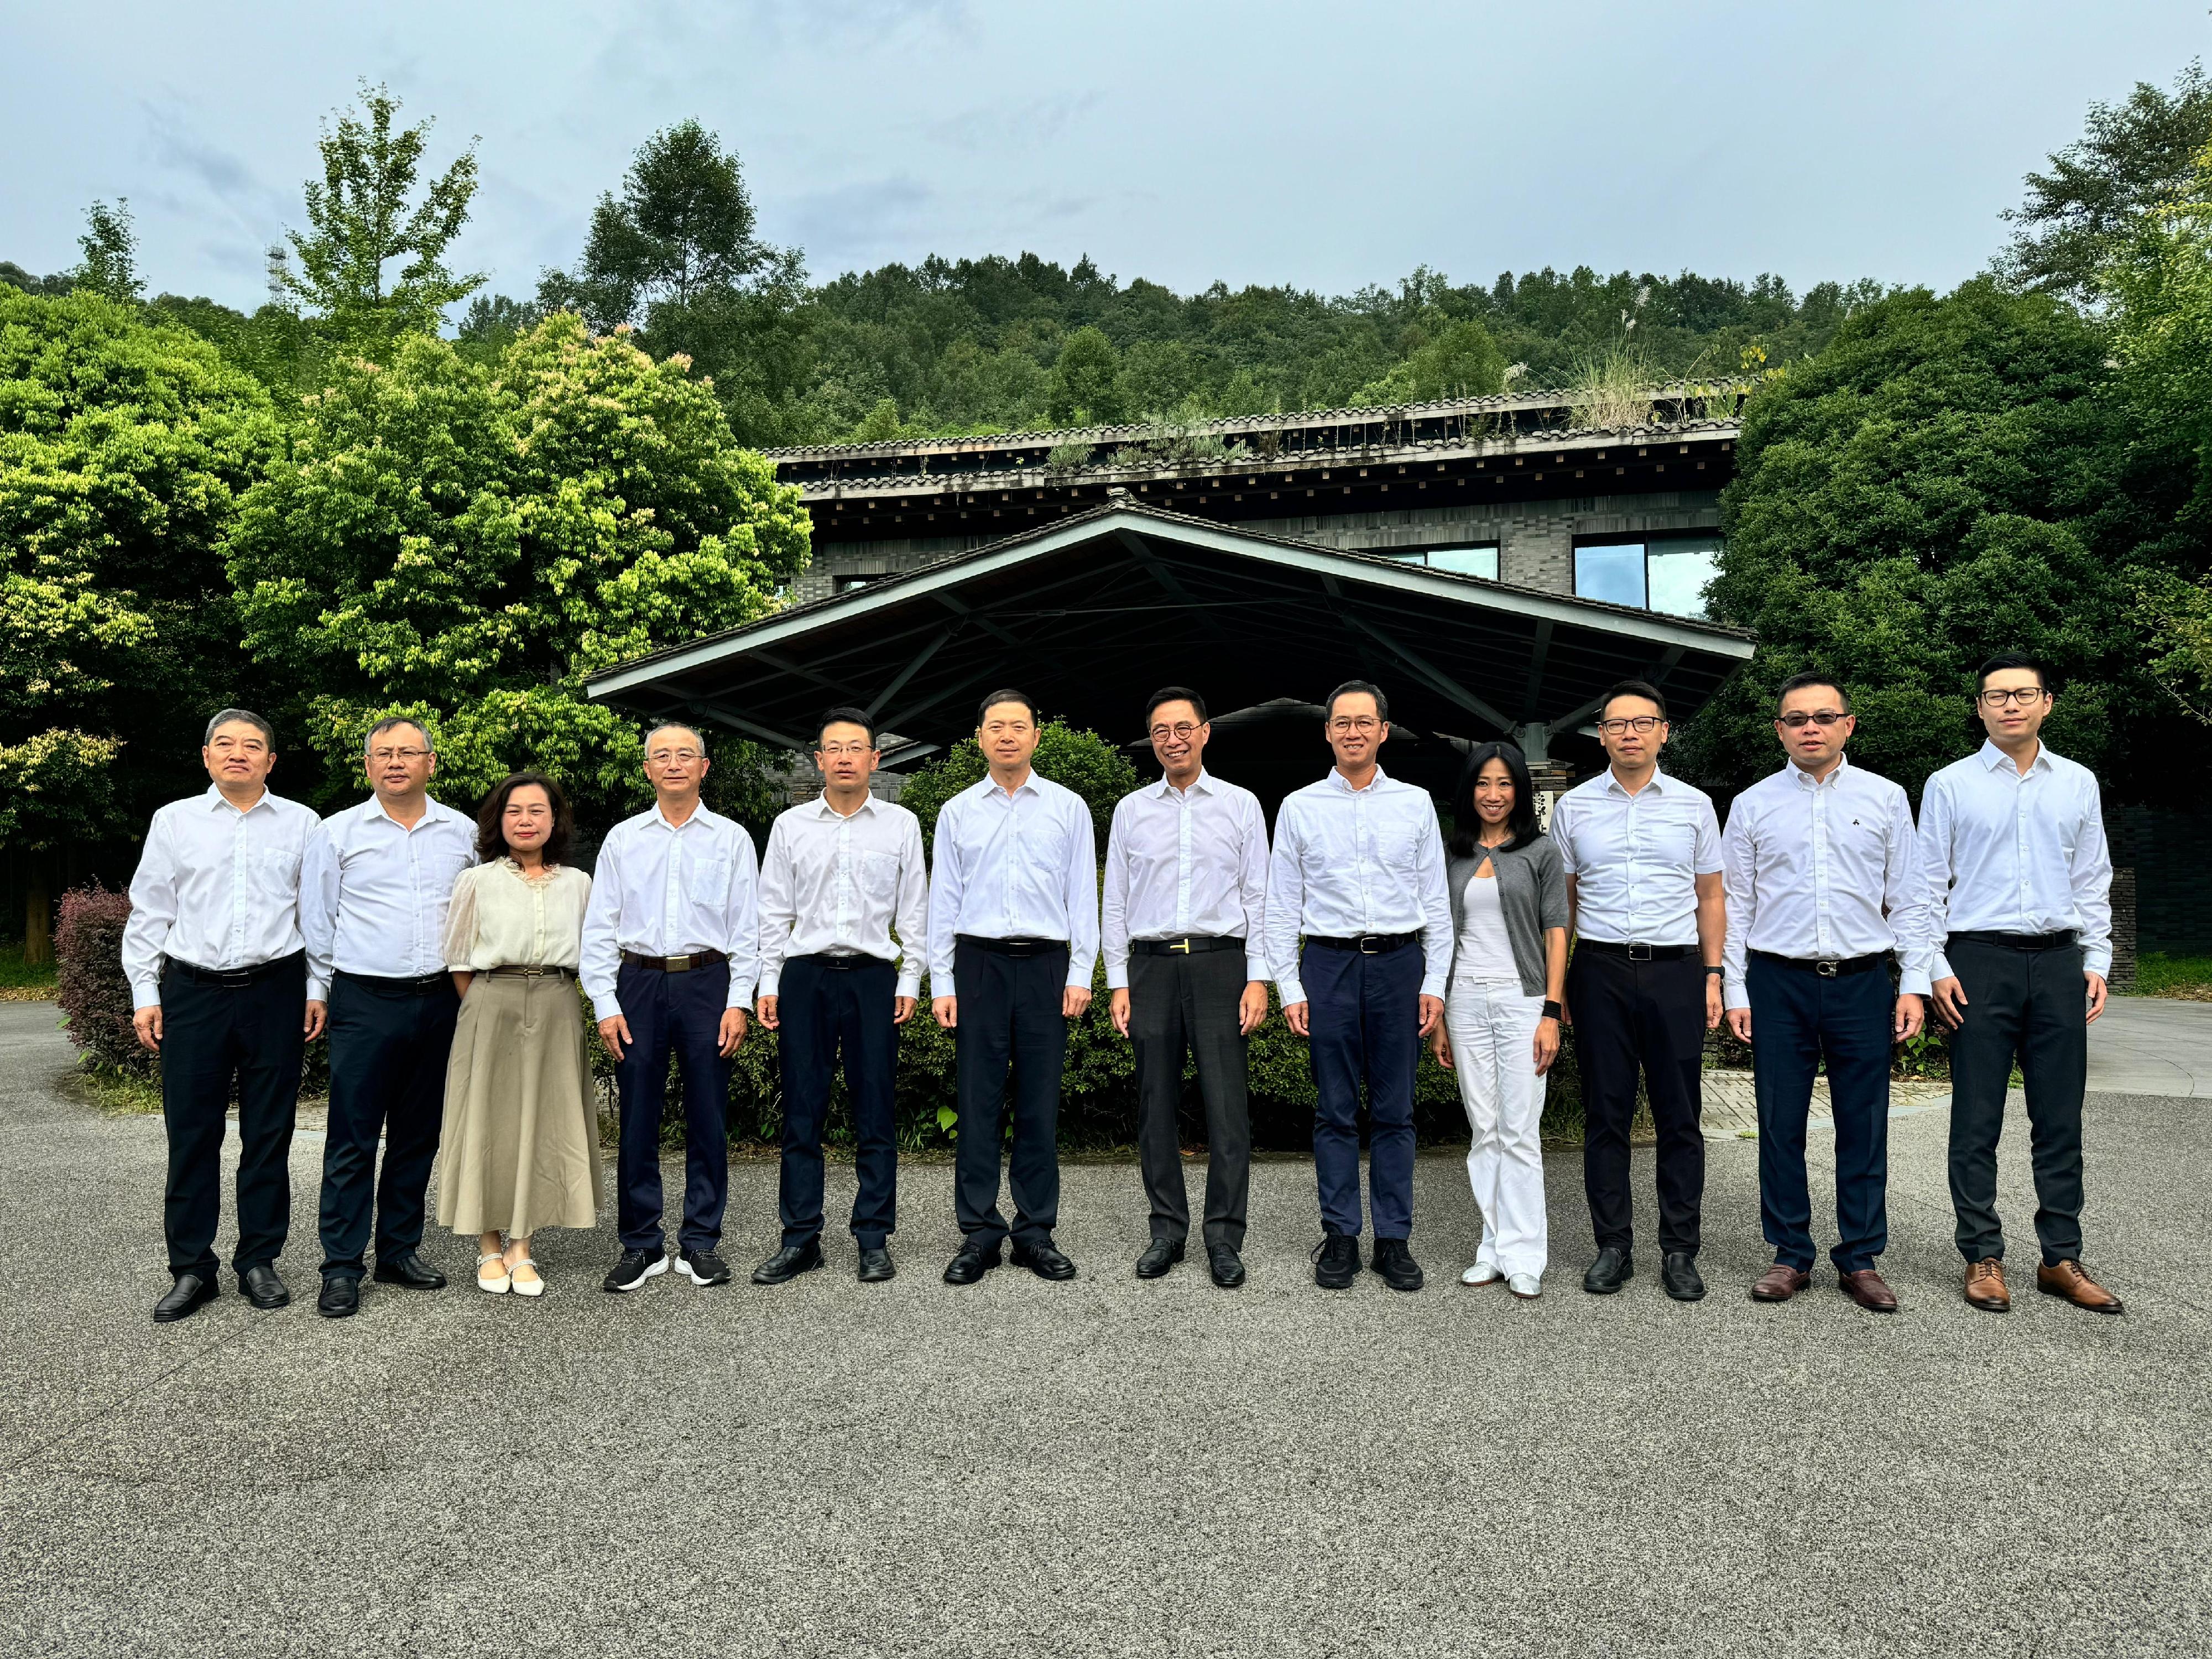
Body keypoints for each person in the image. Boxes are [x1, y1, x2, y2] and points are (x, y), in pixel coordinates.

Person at [1721, 675, 1931, 1314]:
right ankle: (1789, 1253)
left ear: (1848, 725)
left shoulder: (1887, 798)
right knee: (1779, 1122)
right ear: (1779, 730)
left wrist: (1914, 982)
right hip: (1776, 980)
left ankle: (1860, 1257)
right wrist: (1735, 987)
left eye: (1823, 716)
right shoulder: (1752, 804)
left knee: (1862, 1123)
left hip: (1864, 980)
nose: (1809, 727)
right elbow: (1734, 904)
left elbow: (1911, 897)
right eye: (1795, 718)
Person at [1921, 654, 2121, 1314]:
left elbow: (2092, 876)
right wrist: (1934, 967)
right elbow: (1924, 886)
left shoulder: (2077, 783)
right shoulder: (1949, 785)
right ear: (1978, 707)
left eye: (2022, 694)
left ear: (2046, 703)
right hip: (1978, 962)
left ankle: (2060, 1257)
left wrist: (2097, 959)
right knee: (1975, 1117)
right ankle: (1982, 1253)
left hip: (2060, 961)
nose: (2009, 705)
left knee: (2059, 1118)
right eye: (1995, 695)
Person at [123, 709, 321, 1323]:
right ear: (206, 756)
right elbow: (150, 911)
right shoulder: (175, 821)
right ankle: (191, 1268)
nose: (239, 754)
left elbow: (315, 915)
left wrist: (318, 988)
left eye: (253, 746)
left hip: (275, 990)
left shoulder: (303, 824)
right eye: (226, 744)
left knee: (268, 1134)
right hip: (193, 992)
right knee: (191, 1135)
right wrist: (144, 993)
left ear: (271, 761)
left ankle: (258, 1260)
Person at [1264, 680, 1451, 1293]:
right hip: (1329, 966)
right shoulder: (1298, 807)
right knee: (1335, 1110)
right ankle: (1341, 1234)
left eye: (1363, 722)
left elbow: (1435, 901)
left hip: (1399, 966)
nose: (1352, 732)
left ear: (1382, 730)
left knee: (1396, 1112)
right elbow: (1280, 905)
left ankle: (1393, 1239)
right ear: (1327, 732)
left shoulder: (1415, 803)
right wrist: (1290, 987)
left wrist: (1435, 982)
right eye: (1341, 722)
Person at [1551, 680, 1725, 1302]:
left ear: (1663, 731)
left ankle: (1680, 1250)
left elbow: (1710, 895)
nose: (1629, 733)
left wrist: (1714, 974)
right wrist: (1560, 979)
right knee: (1607, 1114)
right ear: (1600, 734)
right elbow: (1562, 902)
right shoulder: (1573, 808)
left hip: (1677, 970)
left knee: (1681, 1117)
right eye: (1617, 724)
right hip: (1598, 970)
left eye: (1642, 722)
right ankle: (1613, 1247)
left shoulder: (1693, 805)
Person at [299, 717, 478, 1319]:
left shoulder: (463, 831)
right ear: (369, 766)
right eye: (384, 753)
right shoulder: (337, 833)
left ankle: (399, 1250)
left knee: (417, 1134)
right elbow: (318, 919)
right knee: (352, 1136)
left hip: (441, 999)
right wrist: (317, 988)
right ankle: (342, 1266)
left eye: (408, 752)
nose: (396, 762)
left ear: (432, 762)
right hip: (365, 999)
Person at [580, 724, 760, 1294]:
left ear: (704, 768)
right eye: (663, 756)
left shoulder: (731, 838)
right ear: (647, 769)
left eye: (687, 755)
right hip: (639, 982)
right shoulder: (623, 839)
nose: (675, 764)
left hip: (709, 981)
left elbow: (748, 928)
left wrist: (739, 1002)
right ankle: (641, 1243)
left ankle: (701, 1242)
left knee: (708, 1114)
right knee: (637, 1116)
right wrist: (605, 1003)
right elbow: (599, 927)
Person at [928, 690, 1099, 1285]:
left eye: (1018, 726)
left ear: (1036, 736)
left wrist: (1081, 973)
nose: (1007, 735)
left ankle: (1034, 1231)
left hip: (1046, 966)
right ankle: (979, 1233)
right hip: (977, 965)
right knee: (976, 1102)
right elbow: (942, 902)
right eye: (995, 727)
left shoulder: (1067, 807)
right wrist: (942, 981)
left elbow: (1084, 896)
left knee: (1037, 1102)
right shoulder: (957, 812)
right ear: (979, 738)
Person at [753, 708, 929, 1285]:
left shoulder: (900, 824)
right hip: (805, 976)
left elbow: (916, 911)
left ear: (875, 759)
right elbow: (774, 910)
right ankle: (800, 1237)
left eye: (857, 748)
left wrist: (910, 978)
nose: (847, 757)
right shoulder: (791, 827)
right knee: (802, 1111)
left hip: (873, 978)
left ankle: (873, 1237)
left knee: (874, 1110)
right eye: (835, 748)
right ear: (819, 758)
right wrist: (769, 981)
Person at [1104, 687, 1270, 1289]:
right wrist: (1118, 980)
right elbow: (1115, 902)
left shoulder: (1241, 805)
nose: (1172, 740)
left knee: (1227, 1108)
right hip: (1149, 966)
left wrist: (1258, 978)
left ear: (1205, 732)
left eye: (1182, 728)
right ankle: (1166, 1232)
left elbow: (1259, 897)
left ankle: (1224, 1237)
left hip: (1219, 964)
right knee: (1154, 1107)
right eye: (1160, 732)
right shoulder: (1131, 810)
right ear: (1153, 741)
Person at [437, 773, 601, 1297]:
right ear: (497, 821)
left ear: (555, 820)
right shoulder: (477, 881)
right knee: (486, 1117)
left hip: (557, 1001)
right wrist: (488, 1007)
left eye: (537, 811)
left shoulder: (579, 884)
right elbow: (459, 959)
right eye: (514, 811)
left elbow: (593, 954)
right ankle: (488, 1243)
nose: (525, 820)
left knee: (543, 1121)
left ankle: (522, 1245)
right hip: (490, 999)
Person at [1427, 740, 1568, 1299]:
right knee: (1483, 1129)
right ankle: (1493, 1247)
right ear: (1469, 791)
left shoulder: (1540, 853)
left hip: (1522, 1002)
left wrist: (1551, 1012)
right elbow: (1439, 936)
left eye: (1504, 783)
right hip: (1463, 1003)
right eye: (1483, 783)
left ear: (1519, 791)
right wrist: (1437, 1014)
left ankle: (1526, 1254)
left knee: (1519, 1131)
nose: (1493, 794)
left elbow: (1557, 931)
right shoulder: (1452, 854)